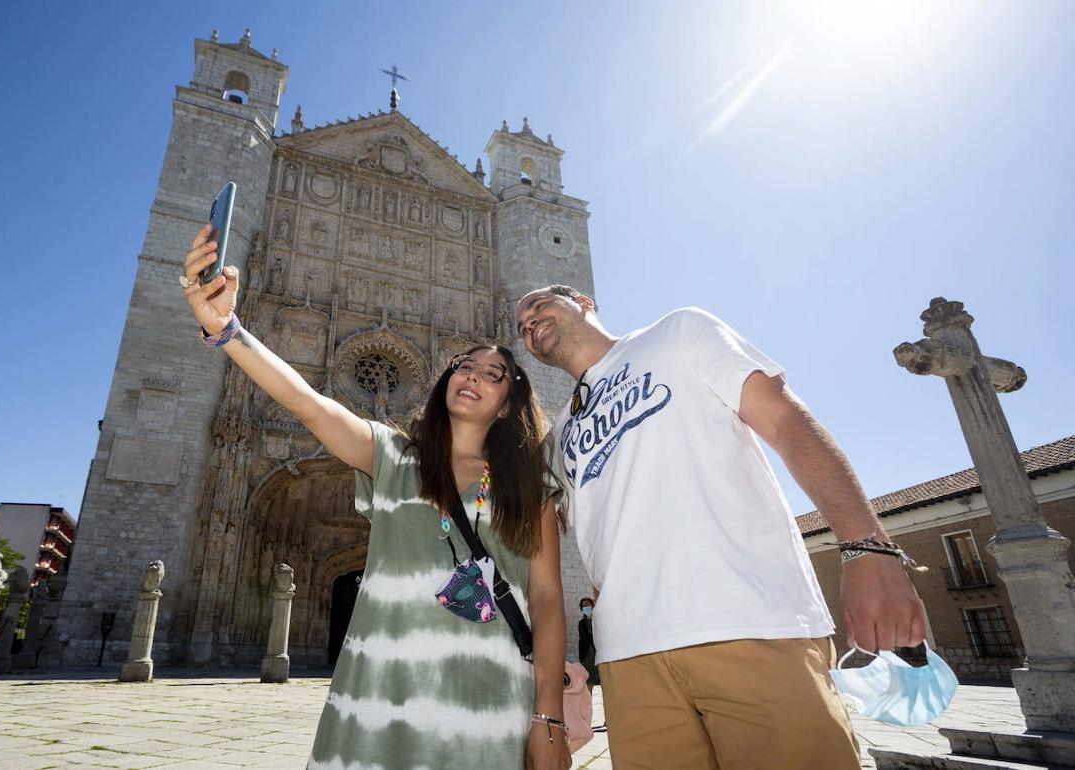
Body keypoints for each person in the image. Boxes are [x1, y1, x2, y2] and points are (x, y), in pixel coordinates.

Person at [181, 225, 572, 770]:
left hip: (487, 698)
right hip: (375, 693)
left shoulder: (528, 491)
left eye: (493, 374)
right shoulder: (391, 456)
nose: (473, 376)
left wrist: (548, 717)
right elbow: (312, 405)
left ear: (508, 404)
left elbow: (548, 599)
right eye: (464, 365)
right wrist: (227, 330)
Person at [515, 286, 927, 770]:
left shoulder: (676, 333)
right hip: (629, 658)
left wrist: (867, 548)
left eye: (540, 304)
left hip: (746, 622)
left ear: (583, 301)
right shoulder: (561, 433)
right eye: (521, 322)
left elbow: (785, 421)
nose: (529, 320)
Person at [576, 597, 599, 695]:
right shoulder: (581, 624)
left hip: (598, 655)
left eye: (587, 604)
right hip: (587, 657)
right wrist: (582, 657)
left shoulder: (598, 620)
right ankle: (588, 707)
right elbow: (581, 641)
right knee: (589, 683)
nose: (586, 607)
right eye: (584, 606)